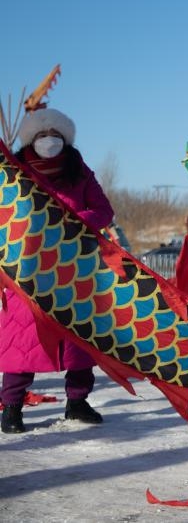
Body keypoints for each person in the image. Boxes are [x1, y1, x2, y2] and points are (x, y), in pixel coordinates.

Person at [1, 108, 114, 433]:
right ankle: (11, 407)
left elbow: (103, 210)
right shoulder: (15, 171)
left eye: (54, 135)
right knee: (22, 340)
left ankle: (77, 401)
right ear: (30, 140)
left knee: (80, 341)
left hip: (74, 270)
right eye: (40, 135)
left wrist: (75, 223)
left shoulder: (79, 171)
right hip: (27, 269)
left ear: (64, 139)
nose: (47, 141)